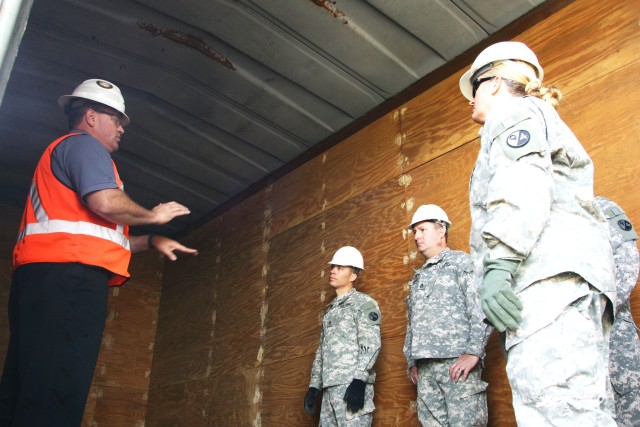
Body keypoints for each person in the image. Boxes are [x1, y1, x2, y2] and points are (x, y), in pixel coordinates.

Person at [0, 79, 198, 426]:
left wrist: (151, 241)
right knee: (58, 390)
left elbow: (99, 234)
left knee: (29, 387)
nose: (122, 127)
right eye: (116, 118)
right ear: (91, 117)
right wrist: (154, 215)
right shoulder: (84, 147)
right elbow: (105, 202)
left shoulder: (65, 154)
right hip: (69, 279)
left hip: (45, 278)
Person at [460, 41, 617, 425]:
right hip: (565, 287)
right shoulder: (534, 114)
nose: (470, 100)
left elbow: (523, 182)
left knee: (556, 413)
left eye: (476, 86)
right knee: (580, 411)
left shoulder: (511, 114)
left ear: (495, 82)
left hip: (545, 285)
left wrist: (501, 264)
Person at [403, 204, 490, 426]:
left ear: (441, 231)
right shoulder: (419, 278)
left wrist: (473, 352)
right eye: (415, 232)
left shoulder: (461, 263)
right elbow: (412, 323)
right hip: (426, 370)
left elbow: (482, 308)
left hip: (456, 365)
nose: (416, 236)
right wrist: (412, 361)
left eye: (422, 230)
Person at [303, 246, 381, 426]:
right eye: (333, 267)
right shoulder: (330, 312)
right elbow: (322, 351)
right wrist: (314, 386)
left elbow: (371, 343)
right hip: (329, 389)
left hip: (351, 386)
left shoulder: (364, 304)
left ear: (353, 276)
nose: (333, 271)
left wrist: (360, 380)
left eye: (340, 268)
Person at [595, 196, 640, 426]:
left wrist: (596, 310)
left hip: (614, 336)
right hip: (573, 349)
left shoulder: (600, 208)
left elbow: (628, 262)